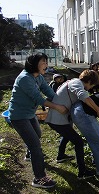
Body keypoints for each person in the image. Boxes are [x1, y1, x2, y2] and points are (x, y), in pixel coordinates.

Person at [8, 53, 68, 189]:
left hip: (29, 114)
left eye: (46, 62)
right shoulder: (24, 78)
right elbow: (38, 98)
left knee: (37, 135)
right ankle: (39, 178)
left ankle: (30, 154)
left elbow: (48, 91)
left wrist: (61, 100)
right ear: (34, 64)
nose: (46, 65)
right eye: (44, 62)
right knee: (35, 146)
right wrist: (57, 107)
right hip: (19, 116)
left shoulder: (38, 77)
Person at [45, 69, 99, 180]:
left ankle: (60, 156)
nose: (91, 88)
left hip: (58, 119)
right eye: (92, 85)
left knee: (68, 135)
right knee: (78, 142)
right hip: (57, 120)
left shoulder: (73, 82)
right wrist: (98, 110)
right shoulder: (77, 83)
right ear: (89, 81)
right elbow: (83, 96)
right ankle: (82, 172)